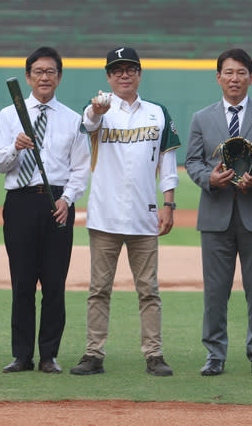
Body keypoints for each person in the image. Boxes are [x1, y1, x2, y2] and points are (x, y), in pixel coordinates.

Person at [70, 46, 179, 377]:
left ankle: (154, 355)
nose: (124, 74)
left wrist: (169, 204)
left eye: (130, 68)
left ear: (139, 73)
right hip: (104, 215)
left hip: (144, 216)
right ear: (108, 76)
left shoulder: (157, 113)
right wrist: (95, 110)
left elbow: (168, 163)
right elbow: (87, 125)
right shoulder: (99, 110)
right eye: (117, 70)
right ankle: (93, 354)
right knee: (98, 291)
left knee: (149, 290)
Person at [185, 48, 252, 376]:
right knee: (215, 292)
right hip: (216, 215)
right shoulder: (202, 118)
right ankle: (214, 354)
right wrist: (210, 179)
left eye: (241, 72)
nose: (234, 78)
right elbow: (191, 161)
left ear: (251, 77)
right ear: (218, 77)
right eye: (228, 72)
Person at [0, 47, 90, 374]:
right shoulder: (9, 115)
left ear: (59, 77)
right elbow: (0, 164)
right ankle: (22, 356)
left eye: (50, 72)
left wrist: (68, 200)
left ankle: (49, 355)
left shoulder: (73, 119)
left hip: (57, 203)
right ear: (28, 77)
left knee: (53, 283)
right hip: (20, 202)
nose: (44, 77)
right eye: (38, 72)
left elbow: (80, 168)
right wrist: (15, 147)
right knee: (21, 282)